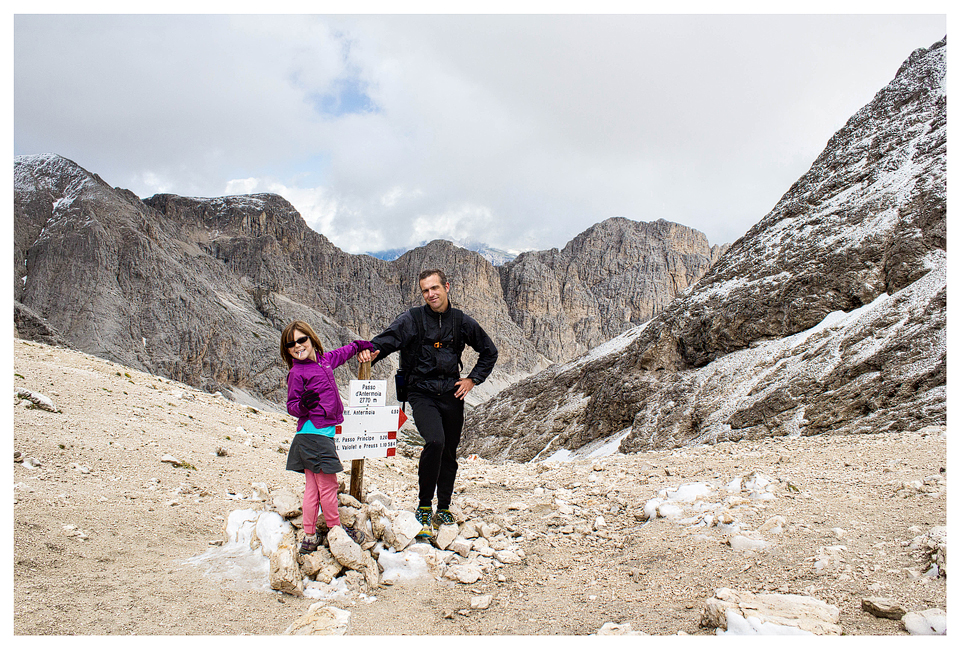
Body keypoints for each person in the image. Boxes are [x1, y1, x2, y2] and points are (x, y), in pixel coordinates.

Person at [358, 269, 497, 539]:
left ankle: (443, 506)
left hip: (452, 391)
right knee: (435, 441)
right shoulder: (412, 319)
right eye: (425, 290)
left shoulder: (461, 321)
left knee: (449, 451)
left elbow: (489, 351)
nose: (431, 294)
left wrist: (472, 380)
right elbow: (387, 340)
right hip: (420, 391)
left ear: (447, 286)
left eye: (435, 288)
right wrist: (369, 350)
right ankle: (423, 505)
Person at [281, 320, 379, 553]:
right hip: (315, 434)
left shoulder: (324, 361)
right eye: (291, 343)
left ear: (312, 339)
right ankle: (336, 530)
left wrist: (359, 345)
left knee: (313, 489)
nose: (298, 345)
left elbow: (342, 354)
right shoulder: (297, 372)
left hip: (312, 436)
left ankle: (310, 535)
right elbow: (292, 406)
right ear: (287, 349)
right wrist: (303, 405)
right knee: (328, 486)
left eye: (301, 339)